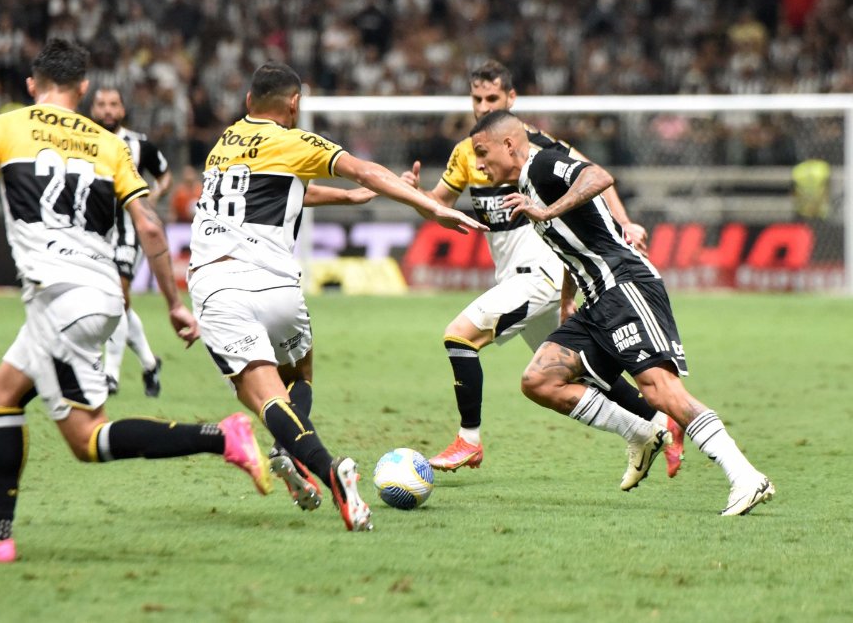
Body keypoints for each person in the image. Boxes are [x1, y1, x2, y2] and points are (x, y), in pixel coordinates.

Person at [0, 39, 272, 564]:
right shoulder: (109, 144)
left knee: (87, 440)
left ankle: (222, 438)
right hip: (101, 295)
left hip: (60, 300)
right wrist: (174, 305)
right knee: (2, 394)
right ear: (85, 89)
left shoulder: (2, 127)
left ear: (32, 85)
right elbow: (152, 229)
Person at [188, 61, 486, 532]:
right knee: (300, 373)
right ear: (294, 104)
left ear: (248, 102)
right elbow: (363, 170)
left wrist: (349, 199)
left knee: (263, 399)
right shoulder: (295, 141)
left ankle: (318, 466)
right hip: (277, 285)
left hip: (217, 284)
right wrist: (429, 207)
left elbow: (278, 192)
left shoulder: (223, 146)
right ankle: (296, 456)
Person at [471, 110, 774, 515]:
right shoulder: (527, 185)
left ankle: (745, 476)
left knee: (661, 391)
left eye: (482, 151)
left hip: (624, 286)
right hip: (595, 300)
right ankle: (641, 433)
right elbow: (572, 244)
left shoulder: (541, 163)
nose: (478, 163)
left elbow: (598, 176)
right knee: (540, 379)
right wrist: (565, 298)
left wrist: (546, 211)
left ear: (509, 144)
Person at [404, 61, 684, 478]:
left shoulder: (535, 149)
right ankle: (661, 423)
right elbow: (440, 207)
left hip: (543, 273)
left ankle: (469, 440)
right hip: (516, 278)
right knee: (580, 372)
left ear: (511, 99)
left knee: (459, 337)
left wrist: (625, 224)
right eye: (477, 98)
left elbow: (593, 178)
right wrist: (418, 198)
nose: (482, 106)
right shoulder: (468, 152)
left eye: (492, 99)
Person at [89, 87, 171, 398]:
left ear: (122, 110)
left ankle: (110, 374)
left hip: (127, 231)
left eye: (113, 104)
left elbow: (164, 175)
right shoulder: (80, 140)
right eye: (101, 105)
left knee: (117, 295)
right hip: (93, 233)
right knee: (118, 303)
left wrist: (155, 196)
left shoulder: (140, 144)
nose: (107, 110)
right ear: (93, 109)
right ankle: (150, 364)